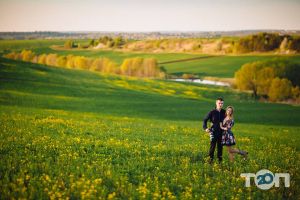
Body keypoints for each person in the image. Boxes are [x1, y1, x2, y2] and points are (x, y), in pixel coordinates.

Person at [203, 97, 226, 163]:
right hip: (213, 132)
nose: (220, 104)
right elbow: (205, 120)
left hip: (222, 133)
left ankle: (220, 163)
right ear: (216, 103)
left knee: (220, 148)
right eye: (219, 103)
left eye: (222, 103)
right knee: (212, 147)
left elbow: (228, 121)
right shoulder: (212, 112)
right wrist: (205, 128)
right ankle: (210, 161)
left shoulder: (224, 112)